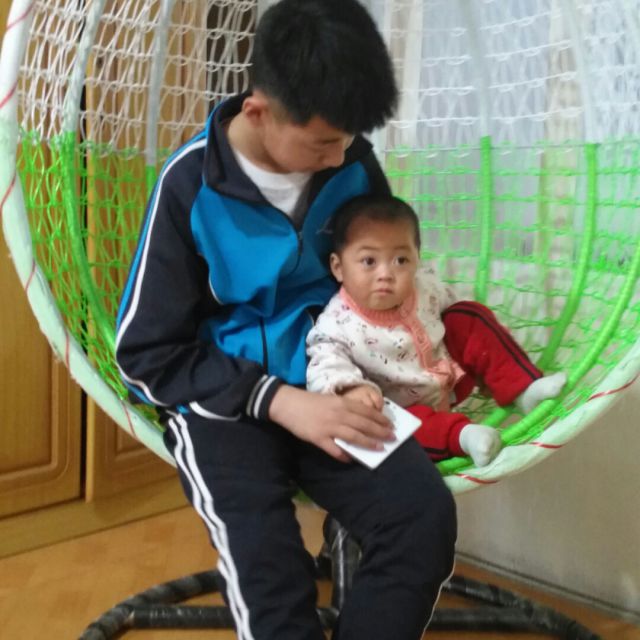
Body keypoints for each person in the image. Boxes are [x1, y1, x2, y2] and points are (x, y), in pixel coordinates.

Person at [115, 1, 457, 638]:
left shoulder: (353, 165)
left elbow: (378, 289)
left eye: (349, 138)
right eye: (323, 142)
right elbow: (146, 354)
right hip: (225, 407)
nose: (339, 156)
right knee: (269, 572)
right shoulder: (189, 185)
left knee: (421, 517)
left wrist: (369, 374)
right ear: (257, 112)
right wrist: (279, 401)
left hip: (339, 384)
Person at [306, 194, 567, 467]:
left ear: (417, 259)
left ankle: (522, 389)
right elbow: (325, 364)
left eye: (401, 260)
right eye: (369, 261)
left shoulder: (425, 285)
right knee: (389, 428)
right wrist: (351, 389)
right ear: (338, 267)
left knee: (467, 314)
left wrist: (487, 359)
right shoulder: (336, 323)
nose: (386, 274)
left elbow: (466, 327)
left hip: (455, 379)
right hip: (407, 411)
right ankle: (464, 437)